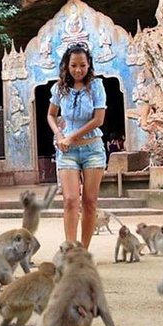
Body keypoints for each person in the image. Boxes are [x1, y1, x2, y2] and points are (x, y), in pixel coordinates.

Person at [47, 41, 107, 249]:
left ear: (89, 64)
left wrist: (72, 137)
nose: (78, 70)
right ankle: (70, 249)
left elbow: (98, 119)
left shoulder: (96, 86)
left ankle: (84, 249)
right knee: (71, 199)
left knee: (90, 201)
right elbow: (51, 115)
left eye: (82, 65)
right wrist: (59, 133)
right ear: (67, 65)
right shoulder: (59, 88)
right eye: (73, 65)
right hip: (67, 152)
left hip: (92, 149)